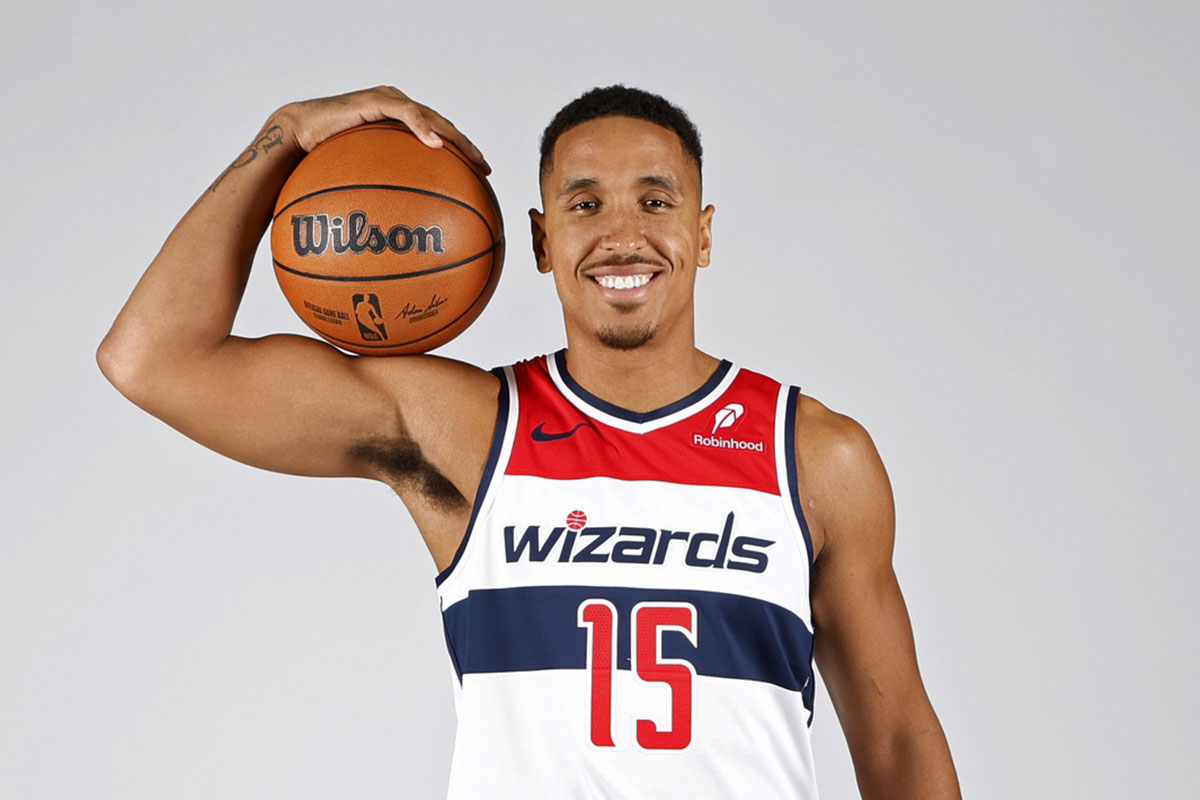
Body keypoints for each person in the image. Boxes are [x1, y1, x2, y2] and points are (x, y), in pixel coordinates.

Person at [98, 84, 961, 799]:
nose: (622, 235)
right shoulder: (468, 430)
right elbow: (152, 359)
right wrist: (284, 136)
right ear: (543, 240)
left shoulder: (814, 457)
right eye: (585, 204)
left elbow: (895, 738)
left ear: (702, 233)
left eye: (655, 201)